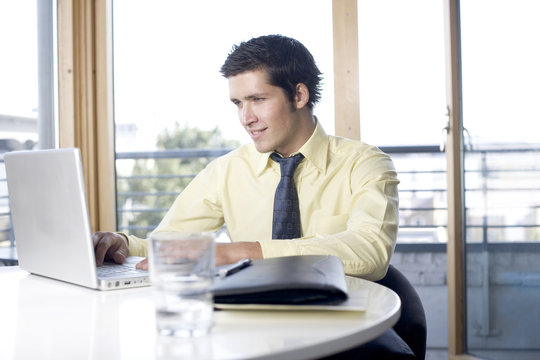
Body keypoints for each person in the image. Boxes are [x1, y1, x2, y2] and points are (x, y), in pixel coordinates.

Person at [93, 34, 399, 281]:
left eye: (258, 100)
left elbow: (370, 250)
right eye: (238, 103)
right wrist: (123, 245)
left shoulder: (365, 164)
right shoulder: (226, 171)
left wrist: (241, 252)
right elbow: (172, 245)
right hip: (254, 323)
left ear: (299, 96)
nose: (245, 117)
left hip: (345, 323)